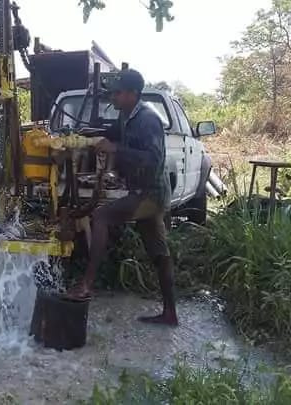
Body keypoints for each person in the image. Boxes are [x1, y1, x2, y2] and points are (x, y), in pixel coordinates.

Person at [67, 68, 178, 326]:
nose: (113, 97)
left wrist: (115, 148)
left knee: (101, 216)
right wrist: (89, 136)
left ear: (133, 94)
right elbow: (114, 132)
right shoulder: (128, 116)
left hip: (150, 194)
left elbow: (153, 159)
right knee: (159, 254)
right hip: (143, 193)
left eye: (118, 93)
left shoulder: (147, 120)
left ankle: (86, 285)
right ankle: (170, 314)